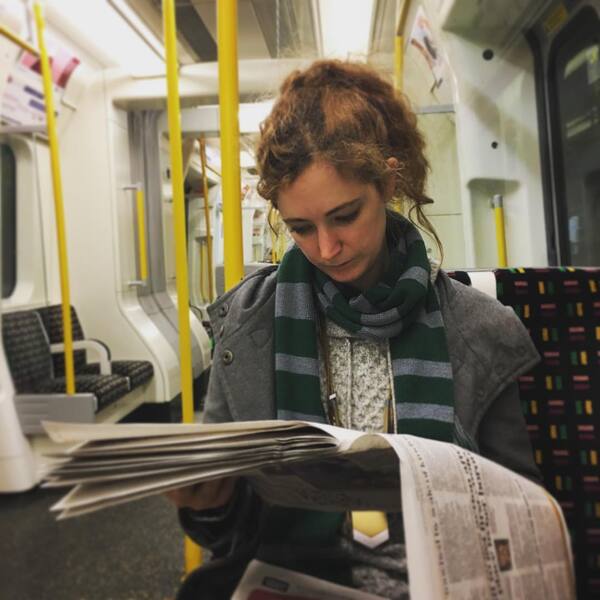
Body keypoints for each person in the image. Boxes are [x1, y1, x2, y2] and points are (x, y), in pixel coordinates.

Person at [167, 59, 541, 599]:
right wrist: (212, 506)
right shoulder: (246, 331)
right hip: (292, 576)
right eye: (301, 227)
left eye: (344, 216)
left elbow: (518, 510)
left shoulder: (480, 330)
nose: (325, 248)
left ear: (388, 183)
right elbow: (229, 536)